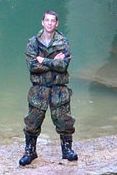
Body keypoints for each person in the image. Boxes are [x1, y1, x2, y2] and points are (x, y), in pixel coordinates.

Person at [20, 10, 77, 165]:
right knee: (32, 121)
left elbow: (63, 65)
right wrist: (53, 62)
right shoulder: (33, 42)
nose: (50, 23)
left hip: (59, 88)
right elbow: (32, 66)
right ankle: (30, 152)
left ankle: (67, 151)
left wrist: (43, 60)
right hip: (39, 88)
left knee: (64, 121)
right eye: (47, 20)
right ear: (42, 22)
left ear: (56, 23)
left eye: (53, 21)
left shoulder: (63, 42)